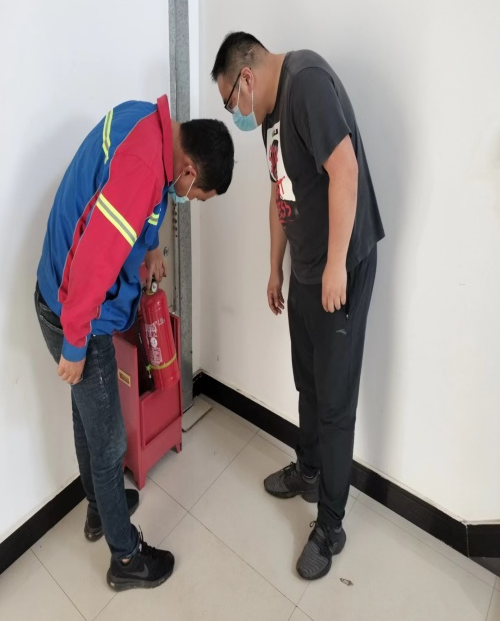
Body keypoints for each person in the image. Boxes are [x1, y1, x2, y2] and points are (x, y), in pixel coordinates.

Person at [34, 94, 234, 590]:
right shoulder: (146, 170)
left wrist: (148, 250)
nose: (190, 200)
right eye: (197, 195)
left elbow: (131, 207)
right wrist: (75, 345)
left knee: (87, 416)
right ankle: (125, 560)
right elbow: (93, 263)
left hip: (63, 294)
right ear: (188, 172)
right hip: (76, 311)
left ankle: (98, 509)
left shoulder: (150, 123)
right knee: (109, 442)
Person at [212, 33, 384, 580]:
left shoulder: (306, 84)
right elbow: (280, 191)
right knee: (307, 380)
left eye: (230, 102)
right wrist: (275, 267)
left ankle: (330, 525)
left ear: (246, 77)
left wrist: (335, 266)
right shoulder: (270, 116)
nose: (235, 114)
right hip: (308, 266)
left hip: (340, 266)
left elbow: (345, 170)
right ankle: (308, 471)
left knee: (334, 402)